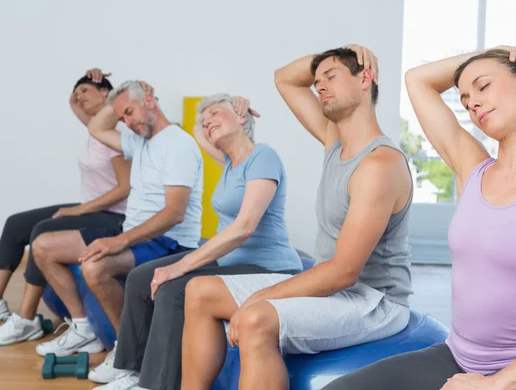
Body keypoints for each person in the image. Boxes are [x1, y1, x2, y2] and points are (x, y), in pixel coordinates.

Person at [322, 46, 516, 390]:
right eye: (466, 99)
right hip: (457, 357)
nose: (473, 104)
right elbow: (418, 81)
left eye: (483, 86)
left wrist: (492, 385)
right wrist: (491, 53)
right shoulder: (473, 168)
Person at [181, 44, 414, 390]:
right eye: (317, 80)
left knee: (257, 318)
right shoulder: (335, 142)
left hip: (373, 301)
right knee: (199, 290)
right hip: (336, 291)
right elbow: (285, 79)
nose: (319, 85)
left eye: (331, 77)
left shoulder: (380, 164)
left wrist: (260, 298)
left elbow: (343, 272)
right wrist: (343, 51)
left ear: (366, 77)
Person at [93, 94, 304, 390]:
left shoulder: (262, 156)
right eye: (205, 122)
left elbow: (244, 227)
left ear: (241, 118)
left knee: (173, 290)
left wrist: (179, 267)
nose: (207, 124)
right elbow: (195, 131)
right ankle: (132, 371)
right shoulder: (230, 161)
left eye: (216, 114)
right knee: (142, 278)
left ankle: (156, 385)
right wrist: (213, 113)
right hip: (233, 262)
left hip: (266, 267)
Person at [33, 76, 204, 358]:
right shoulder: (140, 141)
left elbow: (174, 213)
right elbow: (96, 127)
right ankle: (83, 329)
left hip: (168, 242)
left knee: (94, 268)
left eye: (130, 112)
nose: (127, 121)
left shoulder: (178, 144)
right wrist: (121, 100)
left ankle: (128, 353)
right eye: (123, 115)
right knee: (42, 246)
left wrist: (119, 242)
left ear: (149, 101)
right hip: (135, 232)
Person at [0, 71, 131, 346]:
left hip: (116, 214)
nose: (79, 97)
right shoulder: (95, 126)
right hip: (92, 208)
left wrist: (78, 211)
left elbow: (124, 188)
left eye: (85, 90)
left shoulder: (116, 132)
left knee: (42, 230)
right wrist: (82, 87)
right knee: (15, 224)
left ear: (106, 93)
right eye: (77, 92)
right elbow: (74, 104)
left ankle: (26, 320)